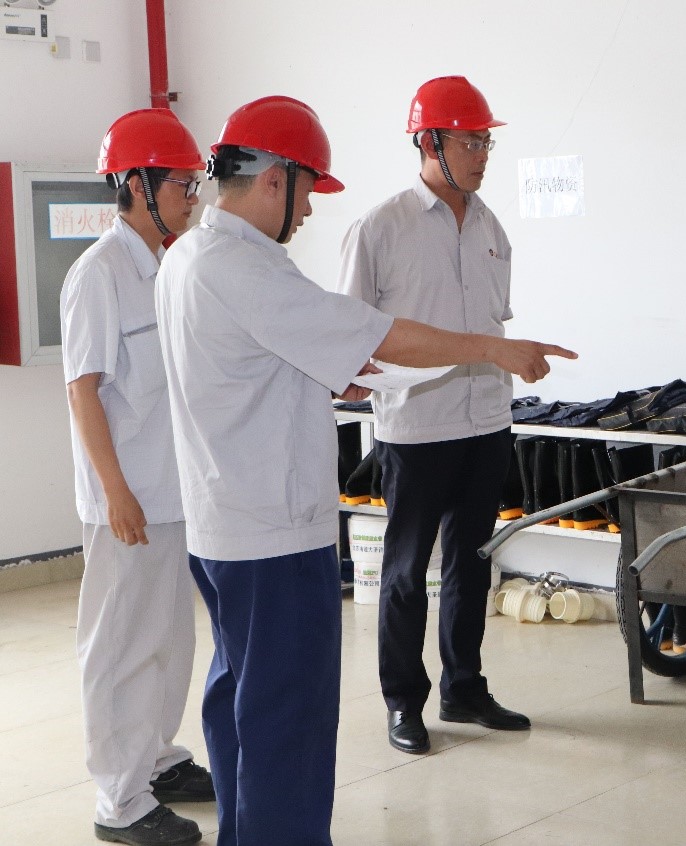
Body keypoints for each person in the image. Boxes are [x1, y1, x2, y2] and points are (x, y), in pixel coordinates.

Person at [155, 94, 574, 846]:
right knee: (288, 715)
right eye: (308, 190)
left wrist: (339, 369)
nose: (310, 209)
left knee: (241, 696)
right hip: (274, 532)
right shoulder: (244, 266)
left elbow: (279, 358)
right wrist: (494, 349)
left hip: (226, 524)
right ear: (275, 179)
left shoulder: (190, 254)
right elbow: (377, 332)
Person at [337, 76, 530, 755]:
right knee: (405, 573)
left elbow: (494, 322)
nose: (481, 155)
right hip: (416, 429)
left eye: (485, 142)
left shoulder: (490, 226)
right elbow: (350, 332)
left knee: (471, 565)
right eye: (469, 141)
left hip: (486, 422)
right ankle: (403, 702)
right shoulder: (379, 228)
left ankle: (464, 687)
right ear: (428, 142)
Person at [60, 109, 214, 846]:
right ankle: (118, 800)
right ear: (136, 185)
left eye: (193, 183)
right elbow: (83, 389)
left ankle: (157, 758)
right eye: (181, 184)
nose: (192, 198)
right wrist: (115, 491)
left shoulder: (170, 267)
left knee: (169, 639)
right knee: (120, 644)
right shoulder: (99, 274)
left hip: (175, 490)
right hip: (127, 498)